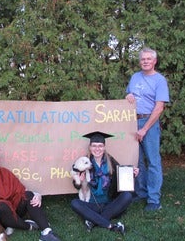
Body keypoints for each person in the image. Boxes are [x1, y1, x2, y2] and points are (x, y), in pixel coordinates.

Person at [0, 146, 62, 241]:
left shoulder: (5, 173)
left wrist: (37, 195)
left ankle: (47, 231)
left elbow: (22, 191)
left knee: (28, 195)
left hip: (12, 210)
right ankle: (28, 226)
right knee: (1, 205)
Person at [125, 47, 168, 210]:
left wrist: (144, 129)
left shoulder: (159, 80)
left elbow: (159, 108)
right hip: (132, 122)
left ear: (154, 61)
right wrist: (127, 96)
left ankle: (153, 199)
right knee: (137, 160)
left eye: (149, 59)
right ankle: (141, 192)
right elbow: (129, 96)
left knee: (153, 161)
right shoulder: (135, 77)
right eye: (143, 59)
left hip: (148, 123)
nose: (145, 61)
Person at [69, 131, 134, 233]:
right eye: (94, 146)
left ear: (104, 148)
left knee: (127, 196)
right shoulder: (84, 162)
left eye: (100, 146)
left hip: (109, 203)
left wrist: (132, 173)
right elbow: (76, 186)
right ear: (90, 147)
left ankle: (93, 221)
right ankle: (111, 225)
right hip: (91, 205)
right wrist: (79, 182)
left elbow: (122, 176)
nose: (97, 149)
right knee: (75, 203)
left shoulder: (110, 161)